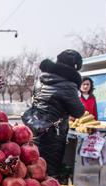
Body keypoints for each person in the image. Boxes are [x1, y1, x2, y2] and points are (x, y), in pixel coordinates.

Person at [22, 49, 85, 178]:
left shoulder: (40, 80)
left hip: (34, 128)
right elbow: (78, 111)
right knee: (48, 173)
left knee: (32, 168)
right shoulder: (68, 85)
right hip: (53, 135)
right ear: (75, 67)